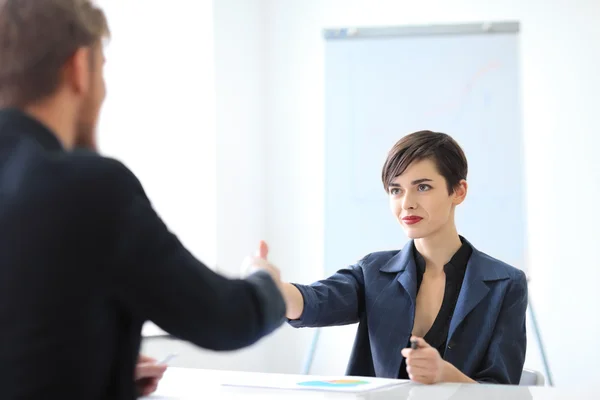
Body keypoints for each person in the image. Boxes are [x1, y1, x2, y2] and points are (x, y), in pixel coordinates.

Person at [0, 1, 286, 399]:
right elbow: (225, 318)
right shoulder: (89, 187)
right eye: (103, 69)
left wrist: (103, 364)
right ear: (79, 67)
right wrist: (266, 282)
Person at [255, 130, 528, 384]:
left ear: (458, 191)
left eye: (422, 187)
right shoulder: (374, 271)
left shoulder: (505, 284)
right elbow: (316, 302)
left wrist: (445, 374)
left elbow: (502, 390)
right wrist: (273, 289)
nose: (406, 202)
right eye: (396, 190)